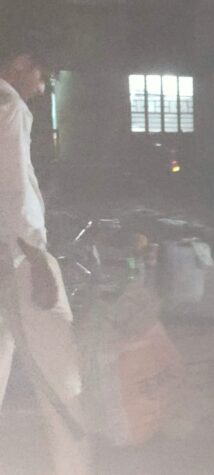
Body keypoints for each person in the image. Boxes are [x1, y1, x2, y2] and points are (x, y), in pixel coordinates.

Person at [0, 37, 93, 473]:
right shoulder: (9, 106)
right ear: (21, 63)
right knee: (61, 371)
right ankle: (74, 465)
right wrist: (36, 259)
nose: (41, 88)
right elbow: (14, 190)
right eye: (43, 76)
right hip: (16, 258)